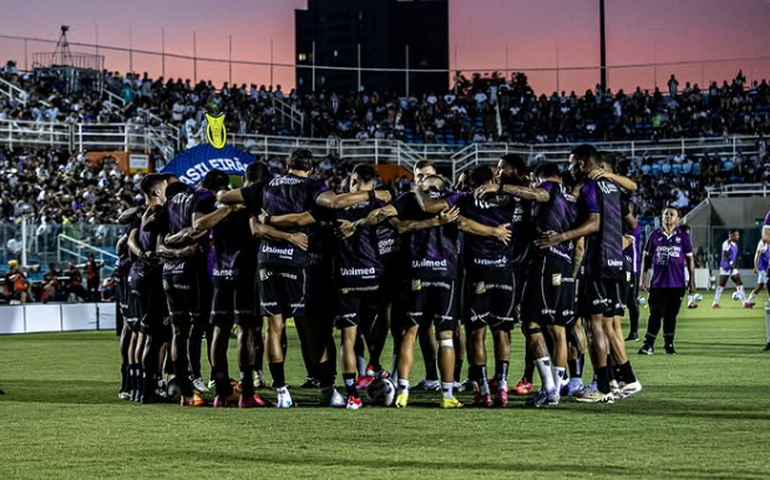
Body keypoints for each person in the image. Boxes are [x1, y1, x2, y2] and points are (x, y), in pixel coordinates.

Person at [537, 145, 641, 404]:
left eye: (572, 163)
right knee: (606, 325)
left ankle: (603, 386)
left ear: (583, 163)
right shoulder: (613, 187)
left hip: (597, 262)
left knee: (595, 328)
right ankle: (622, 379)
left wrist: (562, 236)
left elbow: (593, 223)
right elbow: (631, 214)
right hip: (616, 262)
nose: (570, 167)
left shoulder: (589, 188)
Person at [638, 206, 695, 355]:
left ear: (678, 219)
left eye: (671, 214)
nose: (668, 217)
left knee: (671, 315)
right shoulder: (654, 235)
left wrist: (692, 280)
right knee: (655, 313)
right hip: (658, 283)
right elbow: (646, 257)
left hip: (677, 284)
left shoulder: (683, 236)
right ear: (662, 218)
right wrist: (642, 278)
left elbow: (690, 259)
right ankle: (648, 344)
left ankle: (668, 345)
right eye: (665, 214)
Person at [712, 230, 745, 308]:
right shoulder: (726, 243)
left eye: (738, 235)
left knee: (739, 281)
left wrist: (735, 265)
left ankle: (745, 302)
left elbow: (733, 256)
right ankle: (715, 303)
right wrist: (731, 263)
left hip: (733, 267)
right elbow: (725, 255)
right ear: (731, 235)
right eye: (736, 235)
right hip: (725, 267)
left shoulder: (735, 244)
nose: (738, 237)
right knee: (722, 284)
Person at [743, 239, 769, 308]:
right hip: (763, 268)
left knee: (760, 285)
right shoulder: (763, 243)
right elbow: (757, 255)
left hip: (766, 267)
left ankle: (748, 301)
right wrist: (755, 267)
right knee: (769, 283)